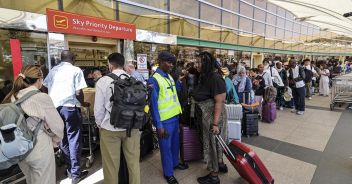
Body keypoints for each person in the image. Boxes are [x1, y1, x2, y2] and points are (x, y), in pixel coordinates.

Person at [3, 65, 64, 184]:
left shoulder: (12, 97)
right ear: (39, 80)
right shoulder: (41, 97)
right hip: (39, 146)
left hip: (20, 147)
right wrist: (56, 141)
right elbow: (58, 126)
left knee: (30, 180)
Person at [94, 53, 141, 184]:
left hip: (110, 129)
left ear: (110, 64)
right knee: (133, 164)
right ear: (123, 64)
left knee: (111, 167)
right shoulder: (132, 79)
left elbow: (98, 110)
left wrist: (100, 125)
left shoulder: (102, 81)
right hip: (131, 127)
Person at [43, 50, 88, 184]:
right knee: (74, 139)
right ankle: (75, 173)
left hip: (55, 109)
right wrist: (83, 103)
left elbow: (44, 88)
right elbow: (79, 92)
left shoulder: (53, 71)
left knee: (62, 139)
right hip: (70, 108)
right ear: (73, 58)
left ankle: (70, 169)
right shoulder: (76, 70)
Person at [148, 51, 188, 184]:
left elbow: (175, 91)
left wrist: (180, 81)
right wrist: (158, 125)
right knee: (166, 148)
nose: (171, 65)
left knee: (175, 144)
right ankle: (168, 173)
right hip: (164, 121)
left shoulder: (169, 77)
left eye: (172, 62)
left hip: (174, 118)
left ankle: (175, 164)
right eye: (168, 62)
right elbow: (153, 105)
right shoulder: (154, 80)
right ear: (160, 61)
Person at [192, 51, 228, 184]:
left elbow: (219, 101)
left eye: (199, 62)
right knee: (216, 143)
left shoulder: (215, 78)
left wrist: (215, 124)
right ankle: (221, 164)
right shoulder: (205, 75)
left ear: (206, 63)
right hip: (209, 115)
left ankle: (214, 176)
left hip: (214, 117)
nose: (196, 65)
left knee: (213, 144)